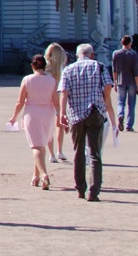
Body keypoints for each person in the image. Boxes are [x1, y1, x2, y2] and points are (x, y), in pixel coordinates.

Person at [58, 43, 114, 201]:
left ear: (77, 56)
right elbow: (108, 86)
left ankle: (80, 189)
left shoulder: (68, 69)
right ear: (92, 54)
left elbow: (64, 92)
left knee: (78, 152)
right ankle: (94, 191)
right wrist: (103, 99)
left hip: (76, 114)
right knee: (95, 153)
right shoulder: (100, 66)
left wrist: (62, 113)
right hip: (95, 111)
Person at [7, 54, 59, 189]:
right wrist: (60, 115)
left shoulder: (27, 79)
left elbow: (20, 101)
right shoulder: (52, 80)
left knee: (36, 146)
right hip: (48, 113)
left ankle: (43, 174)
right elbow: (56, 101)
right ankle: (35, 177)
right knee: (41, 146)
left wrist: (14, 117)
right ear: (45, 66)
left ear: (32, 66)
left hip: (32, 113)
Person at [44, 42, 69, 162]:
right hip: (59, 99)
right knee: (59, 125)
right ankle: (59, 151)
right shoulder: (63, 69)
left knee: (50, 127)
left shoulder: (45, 68)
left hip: (47, 99)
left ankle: (52, 154)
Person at [111, 35, 138, 132]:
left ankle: (121, 115)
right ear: (130, 43)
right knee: (131, 104)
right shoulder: (133, 54)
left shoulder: (116, 53)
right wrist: (137, 84)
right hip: (131, 82)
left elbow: (114, 69)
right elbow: (135, 71)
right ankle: (129, 125)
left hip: (120, 81)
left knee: (120, 102)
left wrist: (114, 82)